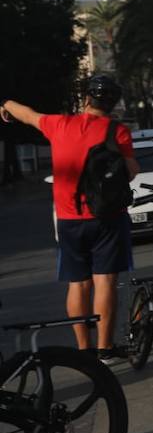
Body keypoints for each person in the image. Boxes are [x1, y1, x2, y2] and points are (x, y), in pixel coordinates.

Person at [1, 76, 137, 361]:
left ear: (87, 99)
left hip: (68, 218)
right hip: (107, 216)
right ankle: (105, 348)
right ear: (112, 104)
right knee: (106, 281)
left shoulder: (59, 125)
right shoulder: (118, 130)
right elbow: (132, 170)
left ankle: (83, 349)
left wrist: (6, 104)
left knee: (79, 284)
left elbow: (27, 115)